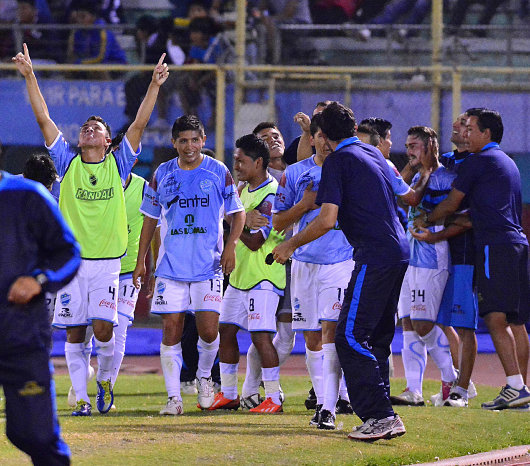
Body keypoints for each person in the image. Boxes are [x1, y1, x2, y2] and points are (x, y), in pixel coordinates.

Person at [12, 43, 169, 416]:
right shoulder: (66, 163)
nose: (88, 130)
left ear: (108, 141)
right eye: (85, 127)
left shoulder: (119, 165)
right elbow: (43, 119)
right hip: (72, 263)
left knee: (103, 331)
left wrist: (154, 86)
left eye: (96, 128)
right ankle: (81, 398)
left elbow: (140, 123)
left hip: (107, 265)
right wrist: (30, 75)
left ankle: (103, 382)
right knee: (73, 332)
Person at [272, 101, 409, 441]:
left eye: (316, 135)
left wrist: (290, 244)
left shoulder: (337, 162)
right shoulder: (372, 153)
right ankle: (382, 413)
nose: (315, 141)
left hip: (373, 254)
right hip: (398, 250)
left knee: (349, 336)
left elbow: (326, 219)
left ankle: (380, 415)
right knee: (375, 337)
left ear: (325, 137)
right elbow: (402, 198)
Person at [132, 115, 245, 415]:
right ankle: (174, 398)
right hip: (171, 268)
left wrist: (231, 246)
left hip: (208, 266)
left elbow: (238, 213)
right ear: (174, 143)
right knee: (171, 329)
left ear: (203, 141)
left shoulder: (218, 171)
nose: (189, 146)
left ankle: (205, 376)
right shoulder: (162, 173)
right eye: (183, 140)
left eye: (195, 140)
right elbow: (150, 219)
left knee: (209, 332)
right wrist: (143, 260)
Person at [419, 107, 530, 410]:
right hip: (517, 243)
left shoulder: (477, 162)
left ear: (486, 134)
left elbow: (452, 204)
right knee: (516, 320)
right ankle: (520, 387)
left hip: (494, 246)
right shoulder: (507, 162)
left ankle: (515, 387)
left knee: (494, 317)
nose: (465, 134)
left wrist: (425, 220)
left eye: (470, 129)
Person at [273, 112, 354, 429]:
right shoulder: (294, 174)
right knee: (310, 338)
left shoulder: (349, 169)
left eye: (327, 135)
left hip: (340, 261)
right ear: (312, 138)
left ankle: (328, 408)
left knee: (331, 331)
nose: (323, 141)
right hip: (304, 264)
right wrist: (305, 205)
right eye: (318, 135)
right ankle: (325, 401)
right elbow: (278, 222)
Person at [0, 170, 81, 465]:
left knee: (33, 434)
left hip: (20, 335)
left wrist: (40, 279)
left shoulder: (26, 195)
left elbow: (68, 252)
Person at [210, 134, 285, 413]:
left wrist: (234, 218)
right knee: (225, 331)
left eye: (241, 160)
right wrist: (239, 216)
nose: (236, 165)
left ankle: (274, 397)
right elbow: (237, 221)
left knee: (260, 337)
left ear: (259, 162)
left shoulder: (271, 195)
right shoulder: (241, 192)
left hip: (264, 276)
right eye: (235, 160)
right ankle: (229, 394)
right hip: (241, 276)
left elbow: (255, 241)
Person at [410, 112, 479, 408]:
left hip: (455, 254)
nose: (457, 129)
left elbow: (467, 215)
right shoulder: (446, 163)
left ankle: (462, 386)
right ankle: (451, 385)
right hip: (421, 253)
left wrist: (434, 229)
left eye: (463, 126)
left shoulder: (474, 166)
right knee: (435, 320)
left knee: (460, 323)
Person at [390, 126, 459, 407]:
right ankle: (413, 390)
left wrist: (427, 169)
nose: (409, 151)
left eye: (415, 145)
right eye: (407, 145)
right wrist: (414, 165)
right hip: (410, 255)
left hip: (431, 257)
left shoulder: (444, 178)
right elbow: (398, 194)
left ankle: (452, 378)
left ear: (430, 145)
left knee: (422, 323)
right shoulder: (418, 175)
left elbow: (454, 215)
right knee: (408, 323)